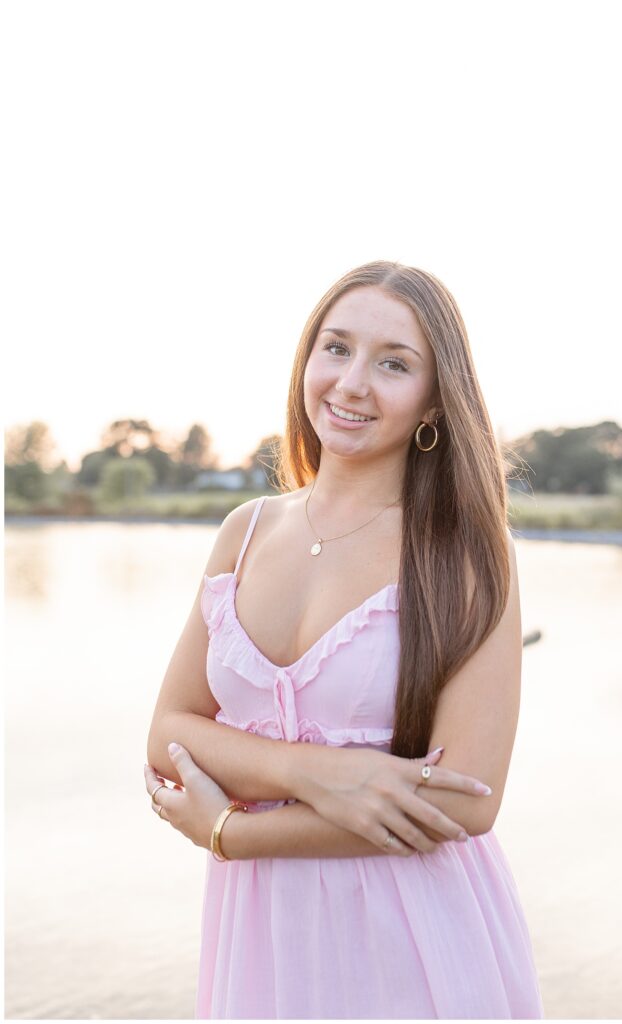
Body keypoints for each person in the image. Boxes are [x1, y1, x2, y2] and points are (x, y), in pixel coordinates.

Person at [144, 260, 545, 1019]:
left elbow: (465, 804)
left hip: (414, 939)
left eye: (393, 363)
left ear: (433, 401)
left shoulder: (461, 556)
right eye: (336, 348)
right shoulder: (246, 531)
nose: (353, 382)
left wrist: (230, 830)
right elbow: (168, 733)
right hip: (258, 942)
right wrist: (328, 775)